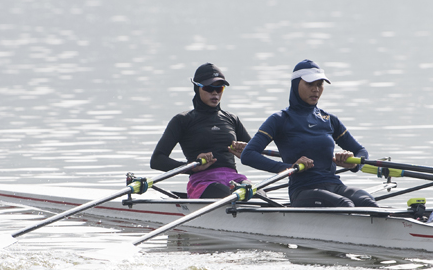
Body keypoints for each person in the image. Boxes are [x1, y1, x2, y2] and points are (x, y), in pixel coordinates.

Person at [241, 59, 377, 208]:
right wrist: (288, 167)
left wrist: (354, 164)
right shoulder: (280, 119)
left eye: (319, 84)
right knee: (345, 204)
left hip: (335, 185)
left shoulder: (329, 120)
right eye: (310, 84)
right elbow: (248, 155)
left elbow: (361, 151)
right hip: (303, 190)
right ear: (296, 84)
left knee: (368, 201)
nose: (316, 89)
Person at [150, 63, 250, 199]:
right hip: (203, 182)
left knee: (258, 194)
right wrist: (192, 167)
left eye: (219, 88)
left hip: (235, 180)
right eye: (209, 88)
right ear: (197, 88)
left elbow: (255, 154)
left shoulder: (232, 119)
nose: (215, 93)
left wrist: (246, 153)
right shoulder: (182, 120)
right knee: (229, 196)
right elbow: (157, 160)